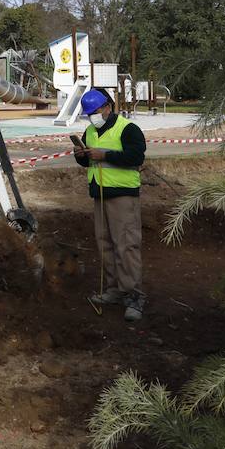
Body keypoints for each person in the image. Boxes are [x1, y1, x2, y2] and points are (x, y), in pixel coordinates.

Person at [72, 88, 147, 322]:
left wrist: (104, 155)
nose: (92, 117)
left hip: (122, 195)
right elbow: (87, 162)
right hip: (100, 194)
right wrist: (81, 154)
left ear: (107, 107)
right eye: (88, 114)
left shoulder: (128, 129)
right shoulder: (91, 131)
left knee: (126, 244)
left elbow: (136, 157)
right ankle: (115, 289)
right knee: (105, 243)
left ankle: (134, 295)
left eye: (94, 112)